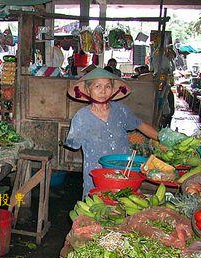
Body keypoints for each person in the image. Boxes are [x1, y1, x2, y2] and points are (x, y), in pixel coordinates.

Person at [66, 68, 159, 196]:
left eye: (107, 86)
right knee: (97, 212)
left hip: (125, 176)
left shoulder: (121, 110)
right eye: (97, 86)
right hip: (97, 181)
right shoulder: (81, 117)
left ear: (113, 89)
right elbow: (73, 144)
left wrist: (161, 138)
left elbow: (140, 124)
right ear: (88, 90)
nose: (103, 91)